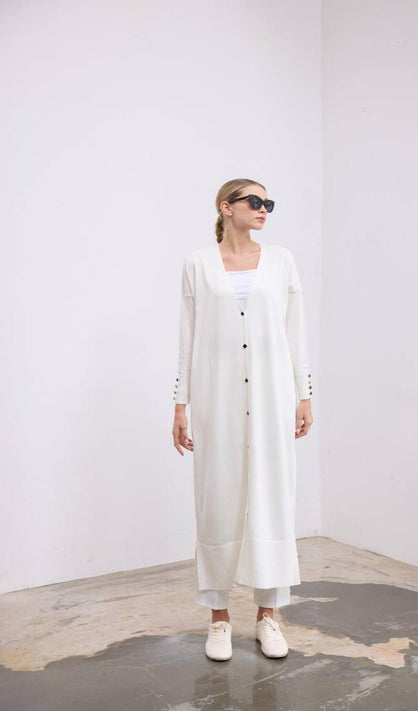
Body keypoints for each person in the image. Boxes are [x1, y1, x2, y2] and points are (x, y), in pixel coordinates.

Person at [172, 178, 313, 660]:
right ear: (226, 207)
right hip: (216, 398)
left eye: (268, 202)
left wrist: (304, 394)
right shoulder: (198, 264)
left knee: (272, 498)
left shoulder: (281, 260)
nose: (263, 209)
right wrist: (180, 403)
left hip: (272, 397)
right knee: (217, 499)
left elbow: (296, 332)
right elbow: (187, 338)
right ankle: (218, 619)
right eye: (254, 201)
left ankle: (268, 616)